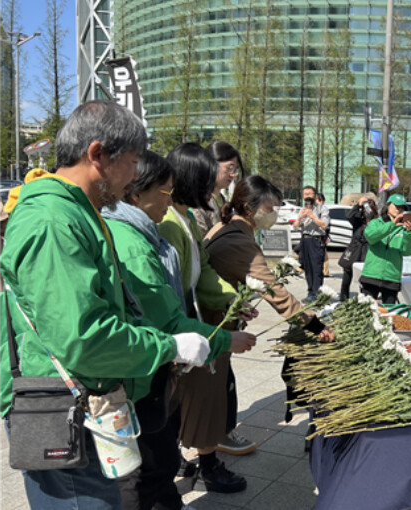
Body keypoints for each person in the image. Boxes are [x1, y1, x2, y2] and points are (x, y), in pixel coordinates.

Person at [0, 100, 210, 509]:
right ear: (97, 154)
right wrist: (169, 346)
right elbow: (83, 339)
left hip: (82, 405)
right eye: (132, 162)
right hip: (61, 410)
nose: (134, 176)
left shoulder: (81, 213)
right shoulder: (53, 220)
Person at [102, 150, 257, 509]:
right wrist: (222, 339)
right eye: (166, 190)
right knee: (150, 468)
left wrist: (232, 301)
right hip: (149, 364)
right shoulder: (147, 235)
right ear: (136, 192)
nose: (216, 187)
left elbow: (196, 276)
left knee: (158, 460)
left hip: (164, 354)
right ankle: (205, 463)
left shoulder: (157, 226)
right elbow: (166, 316)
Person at [158, 143, 253, 493]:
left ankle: (193, 461)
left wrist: (233, 299)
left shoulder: (183, 217)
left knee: (185, 402)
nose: (214, 189)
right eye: (207, 180)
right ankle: (195, 465)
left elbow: (205, 270)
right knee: (177, 404)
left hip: (192, 322)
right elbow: (171, 294)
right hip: (181, 327)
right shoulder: (168, 222)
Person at [203, 175, 334, 340]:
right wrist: (316, 325)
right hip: (214, 328)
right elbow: (274, 291)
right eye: (269, 208)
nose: (273, 214)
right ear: (249, 208)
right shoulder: (239, 243)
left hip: (213, 317)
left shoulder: (225, 225)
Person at [360, 194, 411, 304]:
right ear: (388, 206)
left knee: (389, 314)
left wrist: (409, 232)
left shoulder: (403, 229)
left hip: (392, 277)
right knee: (366, 311)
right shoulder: (376, 223)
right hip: (372, 274)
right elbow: (371, 237)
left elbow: (408, 251)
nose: (398, 209)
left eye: (401, 207)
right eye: (396, 205)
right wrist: (392, 225)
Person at [193, 140, 242, 238]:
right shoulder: (198, 203)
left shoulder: (223, 201)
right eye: (229, 168)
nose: (233, 175)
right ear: (211, 164)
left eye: (235, 170)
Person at [294, 185, 329, 302]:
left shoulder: (322, 209)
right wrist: (300, 218)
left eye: (310, 194)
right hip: (305, 240)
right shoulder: (302, 209)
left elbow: (324, 225)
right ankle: (310, 292)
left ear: (315, 195)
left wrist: (312, 216)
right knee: (307, 267)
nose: (307, 196)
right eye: (305, 194)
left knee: (316, 268)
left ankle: (317, 294)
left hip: (316, 240)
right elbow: (296, 226)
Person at [339, 196, 377, 300]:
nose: (368, 212)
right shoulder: (358, 221)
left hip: (367, 254)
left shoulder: (377, 223)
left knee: (364, 281)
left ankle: (364, 301)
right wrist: (358, 205)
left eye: (370, 209)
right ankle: (343, 300)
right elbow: (349, 216)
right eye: (366, 209)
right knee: (346, 278)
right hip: (354, 252)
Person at [317, 192, 331, 277]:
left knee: (323, 254)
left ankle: (325, 271)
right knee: (323, 254)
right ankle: (325, 271)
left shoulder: (324, 210)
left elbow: (326, 225)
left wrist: (327, 236)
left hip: (322, 236)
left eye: (319, 200)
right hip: (319, 236)